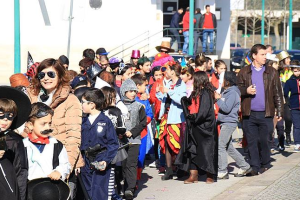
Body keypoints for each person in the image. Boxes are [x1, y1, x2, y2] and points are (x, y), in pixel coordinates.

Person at [24, 58, 84, 199]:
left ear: (60, 75)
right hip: (33, 167)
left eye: (51, 74)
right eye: (42, 75)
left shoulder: (71, 100)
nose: (46, 78)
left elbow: (73, 137)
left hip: (59, 163)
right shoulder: (32, 96)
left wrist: (65, 170)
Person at [237, 44, 284, 175]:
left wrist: (280, 111)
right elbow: (237, 90)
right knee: (252, 141)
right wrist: (245, 90)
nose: (265, 57)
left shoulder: (271, 72)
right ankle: (254, 166)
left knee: (264, 140)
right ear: (254, 56)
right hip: (249, 114)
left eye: (265, 54)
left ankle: (265, 163)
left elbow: (278, 93)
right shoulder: (244, 72)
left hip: (266, 113)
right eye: (262, 55)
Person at [178, 71, 218, 184]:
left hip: (206, 127)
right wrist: (184, 101)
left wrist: (194, 118)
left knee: (207, 151)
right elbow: (190, 102)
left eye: (195, 79)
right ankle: (193, 175)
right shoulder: (196, 92)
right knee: (193, 149)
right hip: (195, 126)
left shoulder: (206, 92)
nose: (193, 82)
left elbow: (204, 111)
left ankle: (210, 174)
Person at [80, 88, 119, 200]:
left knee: (99, 191)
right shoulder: (83, 121)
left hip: (100, 159)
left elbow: (113, 144)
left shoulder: (105, 121)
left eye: (83, 102)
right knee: (87, 192)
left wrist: (106, 160)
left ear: (92, 104)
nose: (81, 105)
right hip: (85, 161)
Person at [215, 72, 252, 179]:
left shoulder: (232, 93)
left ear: (227, 81)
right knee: (229, 147)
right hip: (224, 122)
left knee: (220, 146)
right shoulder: (227, 92)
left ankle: (222, 171)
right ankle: (245, 166)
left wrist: (218, 99)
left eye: (222, 79)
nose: (220, 81)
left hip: (229, 122)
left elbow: (226, 108)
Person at [24, 102, 71, 181]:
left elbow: (65, 164)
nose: (47, 127)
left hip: (51, 188)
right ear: (30, 125)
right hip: (29, 189)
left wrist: (59, 171)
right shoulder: (22, 145)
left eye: (49, 123)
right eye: (43, 124)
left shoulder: (56, 144)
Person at [156, 62, 187, 181]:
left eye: (168, 70)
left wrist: (168, 91)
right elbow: (164, 98)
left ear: (173, 72)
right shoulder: (168, 83)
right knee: (166, 144)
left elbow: (182, 100)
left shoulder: (181, 85)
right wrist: (160, 93)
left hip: (176, 118)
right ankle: (168, 169)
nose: (166, 72)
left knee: (176, 144)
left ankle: (180, 168)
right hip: (166, 117)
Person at [0, 86, 31, 200]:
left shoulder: (14, 140)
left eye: (10, 116)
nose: (5, 120)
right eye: (1, 114)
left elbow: (21, 171)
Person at [120, 79, 147, 199]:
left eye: (135, 91)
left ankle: (130, 189)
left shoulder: (139, 106)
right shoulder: (118, 106)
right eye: (130, 91)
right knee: (123, 165)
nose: (133, 93)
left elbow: (143, 122)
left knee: (131, 164)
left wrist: (133, 132)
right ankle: (122, 185)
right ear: (124, 91)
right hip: (121, 141)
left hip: (134, 140)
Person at [131, 74, 154, 184]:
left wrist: (146, 120)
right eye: (144, 85)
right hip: (132, 133)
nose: (146, 88)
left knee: (141, 156)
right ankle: (131, 179)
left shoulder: (144, 99)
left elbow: (150, 113)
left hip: (143, 132)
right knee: (133, 157)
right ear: (137, 86)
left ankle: (137, 178)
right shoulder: (130, 100)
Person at [277, 51, 293, 145]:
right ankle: (281, 137)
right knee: (279, 120)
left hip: (288, 98)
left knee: (288, 118)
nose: (289, 60)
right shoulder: (277, 71)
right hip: (279, 97)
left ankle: (287, 133)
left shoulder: (291, 70)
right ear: (282, 60)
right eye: (287, 58)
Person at [284, 66, 300, 152]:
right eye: (295, 71)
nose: (297, 73)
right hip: (295, 106)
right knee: (297, 125)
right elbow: (285, 93)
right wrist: (289, 102)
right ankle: (297, 143)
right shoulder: (290, 81)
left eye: (298, 71)